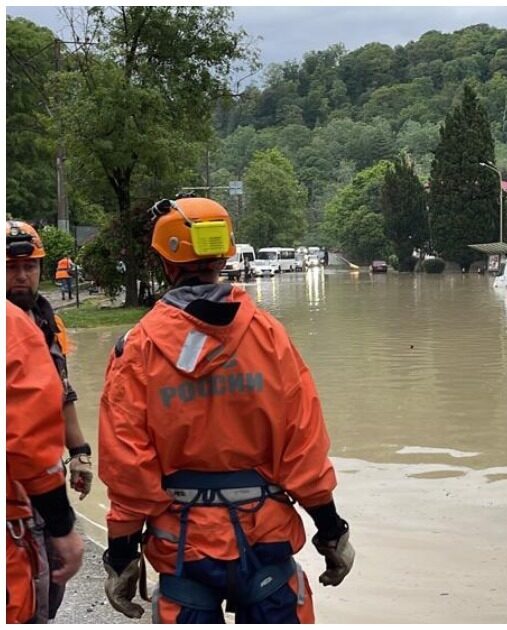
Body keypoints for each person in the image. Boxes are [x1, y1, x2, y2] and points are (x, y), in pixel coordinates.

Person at [98, 196, 354, 623]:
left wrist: (122, 554)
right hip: (265, 541)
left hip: (183, 548)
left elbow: (128, 466)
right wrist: (331, 531)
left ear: (164, 262)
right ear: (225, 256)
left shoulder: (136, 349)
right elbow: (303, 447)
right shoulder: (269, 337)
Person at [5, 221, 94, 622]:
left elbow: (58, 388)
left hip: (38, 474)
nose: (22, 275)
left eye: (30, 266)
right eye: (10, 267)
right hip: (19, 480)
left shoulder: (43, 319)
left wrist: (79, 451)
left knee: (47, 585)